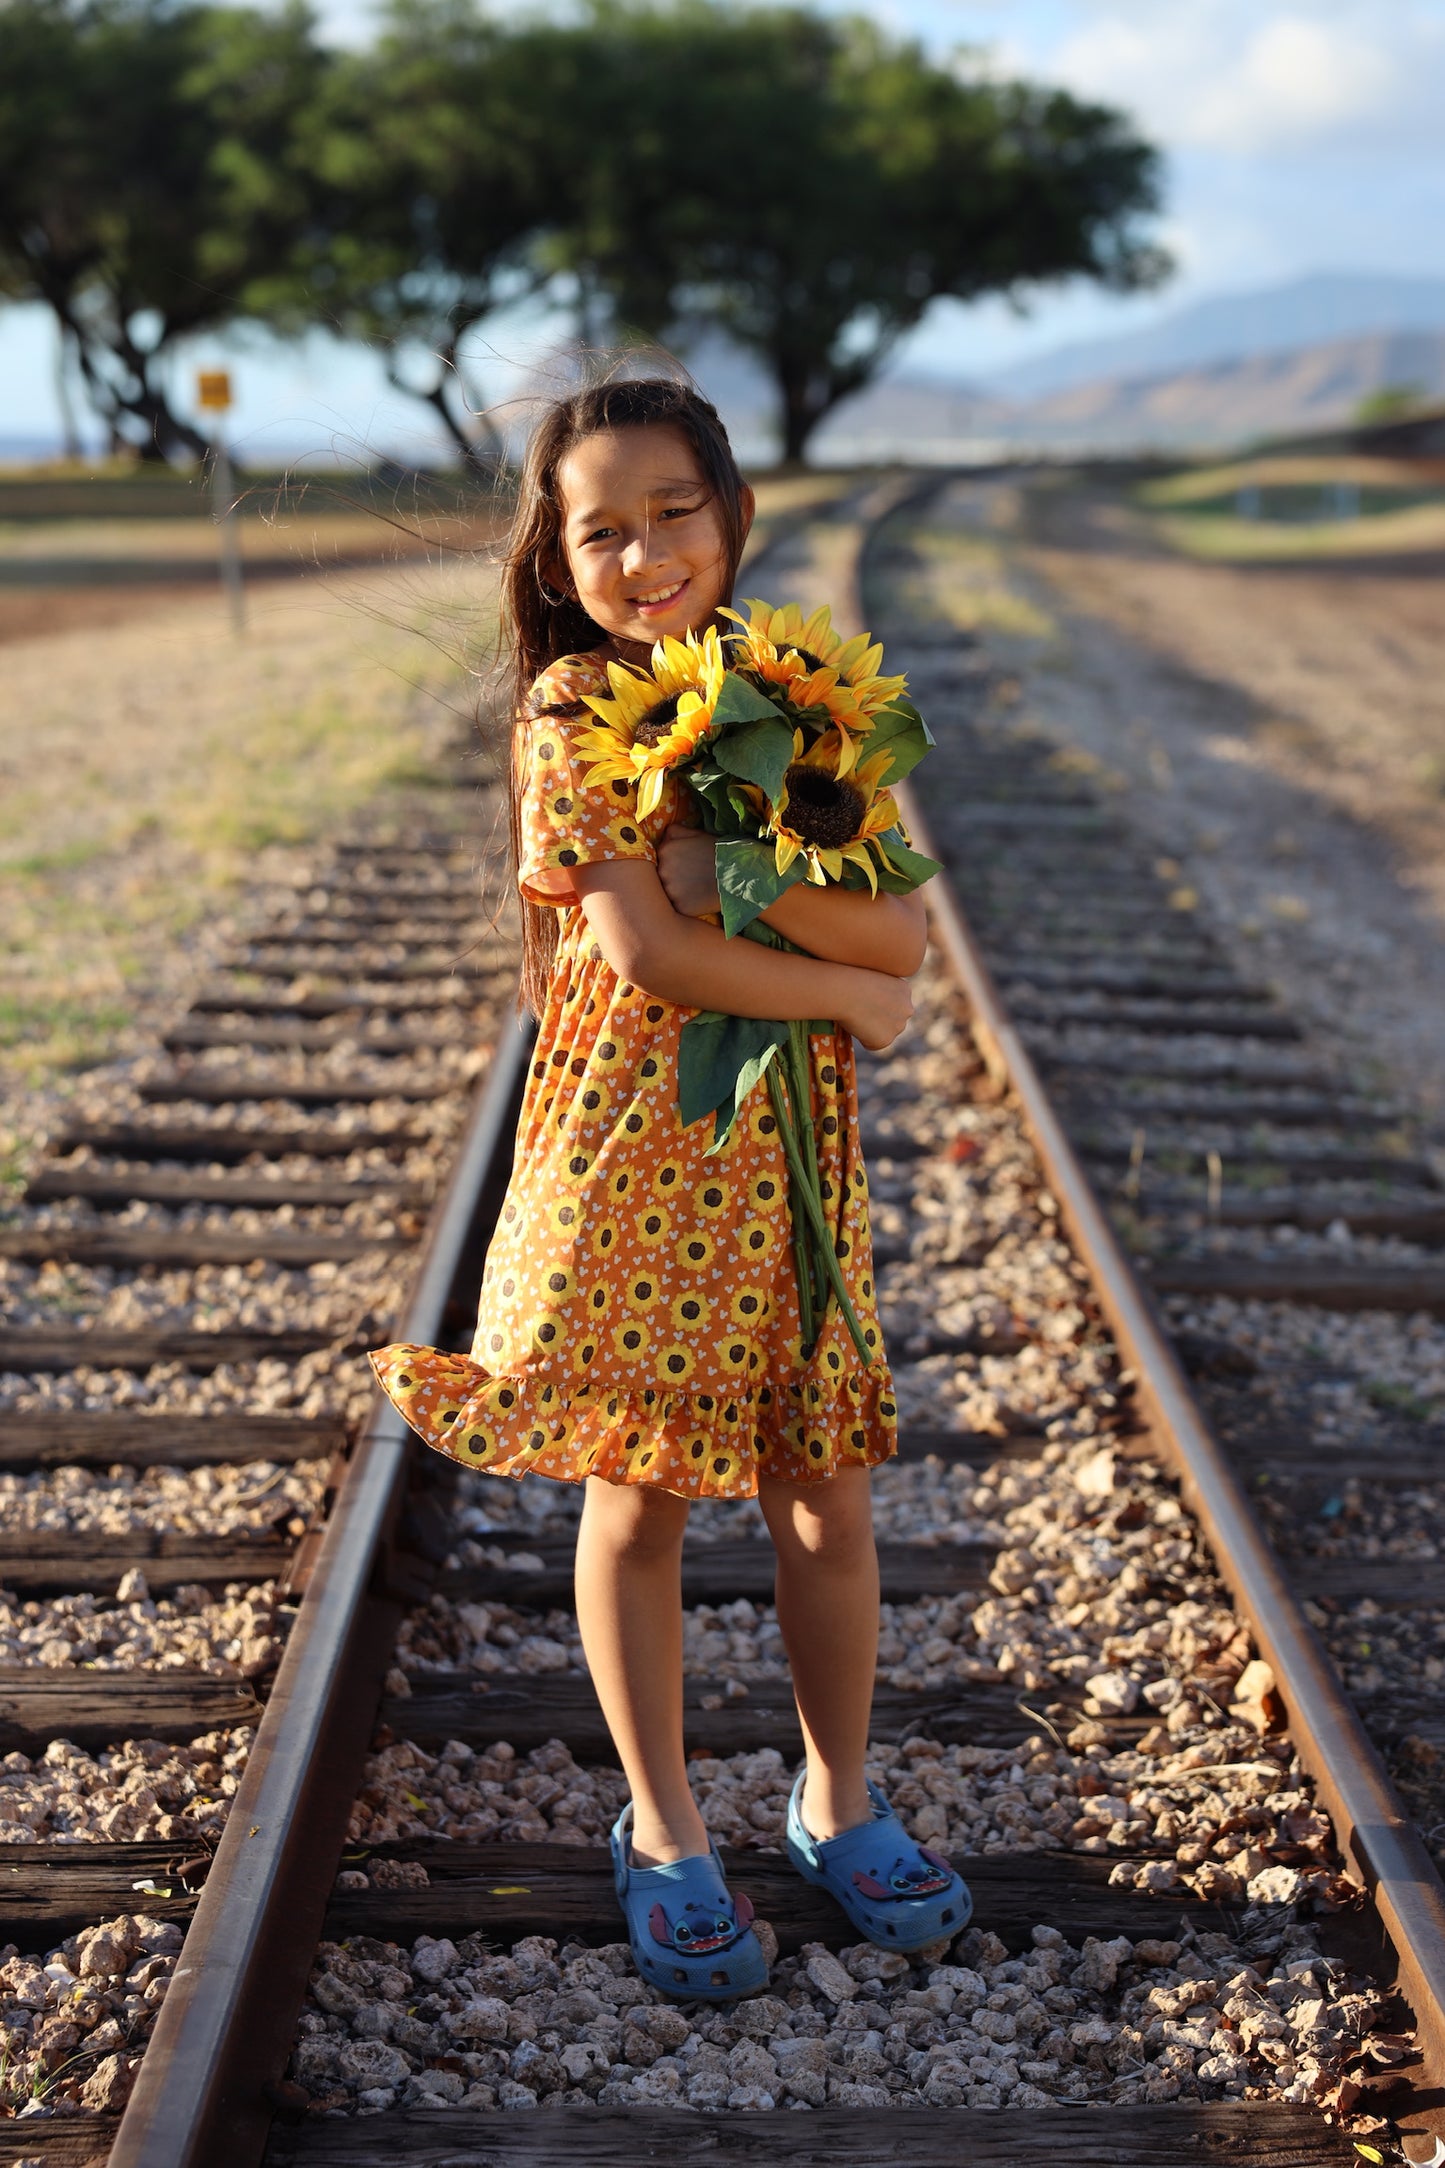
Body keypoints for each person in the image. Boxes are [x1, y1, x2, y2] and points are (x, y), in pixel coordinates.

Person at [371, 374, 971, 2001]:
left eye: (670, 513)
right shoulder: (569, 717)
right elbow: (651, 948)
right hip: (624, 1159)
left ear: (733, 512)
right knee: (632, 1494)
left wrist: (750, 891)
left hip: (778, 1158)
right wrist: (838, 988)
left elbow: (903, 929)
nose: (641, 557)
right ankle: (661, 1824)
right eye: (599, 531)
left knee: (820, 1491)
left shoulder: (808, 702)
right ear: (556, 562)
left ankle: (835, 1798)